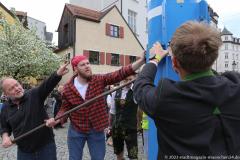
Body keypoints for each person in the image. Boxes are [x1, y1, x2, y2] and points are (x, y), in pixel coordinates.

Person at [133, 21, 240, 159]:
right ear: (213, 58)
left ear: (175, 63)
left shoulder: (166, 97)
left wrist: (154, 59)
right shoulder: (235, 85)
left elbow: (141, 87)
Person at [46, 54, 145, 160]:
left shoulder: (98, 80)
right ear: (75, 69)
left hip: (96, 129)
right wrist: (57, 119)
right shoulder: (67, 88)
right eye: (82, 65)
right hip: (77, 129)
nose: (87, 66)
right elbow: (65, 108)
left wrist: (141, 61)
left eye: (88, 63)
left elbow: (120, 73)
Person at [0, 63, 69, 160]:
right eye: (11, 88)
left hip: (46, 146)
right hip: (24, 150)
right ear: (6, 94)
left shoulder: (33, 94)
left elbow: (46, 85)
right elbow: (4, 127)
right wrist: (5, 137)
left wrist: (58, 73)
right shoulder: (5, 107)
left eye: (17, 85)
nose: (17, 88)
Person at [111, 75, 139, 160]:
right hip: (117, 127)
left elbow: (140, 110)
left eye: (130, 79)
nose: (128, 82)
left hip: (130, 128)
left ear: (134, 79)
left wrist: (139, 125)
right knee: (118, 153)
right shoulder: (115, 92)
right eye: (126, 79)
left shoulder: (136, 92)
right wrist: (110, 126)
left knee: (133, 154)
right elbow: (112, 111)